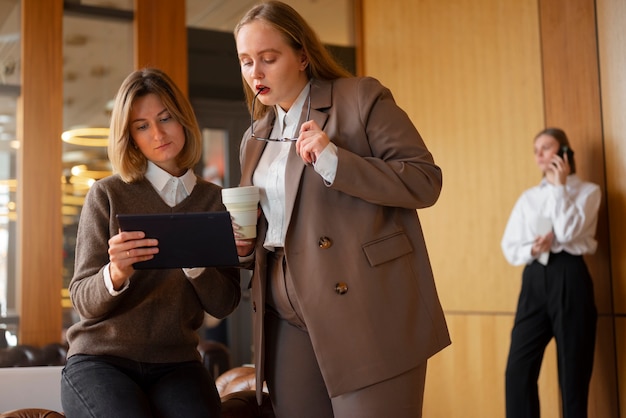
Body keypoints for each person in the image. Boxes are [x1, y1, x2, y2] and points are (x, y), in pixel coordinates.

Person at [230, 2, 450, 417]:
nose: (255, 73)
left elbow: (425, 181)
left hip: (366, 311)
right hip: (283, 320)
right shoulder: (254, 137)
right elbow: (272, 229)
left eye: (268, 58)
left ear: (302, 55)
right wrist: (243, 245)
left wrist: (335, 161)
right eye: (245, 62)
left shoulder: (360, 98)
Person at [60, 68, 241, 418]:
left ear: (184, 120)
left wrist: (197, 263)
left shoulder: (215, 200)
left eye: (165, 118)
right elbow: (83, 299)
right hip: (101, 360)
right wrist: (115, 273)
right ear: (129, 137)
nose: (158, 134)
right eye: (142, 126)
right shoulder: (108, 194)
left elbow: (224, 303)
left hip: (177, 363)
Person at [501, 127, 600, 418]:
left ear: (565, 152)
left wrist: (559, 186)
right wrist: (533, 248)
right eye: (536, 150)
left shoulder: (588, 192)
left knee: (573, 374)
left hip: (571, 276)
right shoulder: (528, 198)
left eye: (547, 147)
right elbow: (509, 245)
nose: (540, 154)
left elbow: (568, 232)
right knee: (517, 370)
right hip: (534, 278)